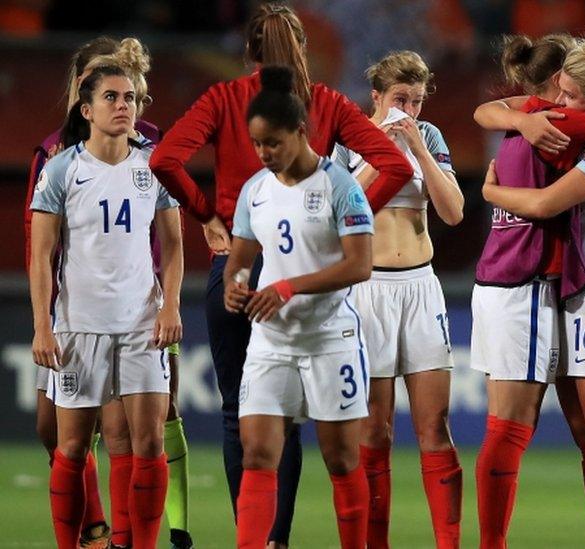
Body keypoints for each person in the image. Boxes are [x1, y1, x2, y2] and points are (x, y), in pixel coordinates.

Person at [148, 4, 412, 546]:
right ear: (302, 50)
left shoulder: (224, 99)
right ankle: (276, 538)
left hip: (238, 267)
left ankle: (255, 534)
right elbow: (397, 165)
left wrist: (207, 216)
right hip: (309, 271)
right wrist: (348, 220)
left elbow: (164, 160)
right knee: (289, 420)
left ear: (247, 53)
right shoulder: (327, 103)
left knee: (239, 414)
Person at [481, 30, 585, 548]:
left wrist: (490, 190)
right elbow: (492, 109)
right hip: (572, 292)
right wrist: (519, 118)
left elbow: (544, 205)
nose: (562, 101)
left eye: (573, 94)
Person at [24, 36, 196, 549]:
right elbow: (40, 256)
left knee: (146, 444)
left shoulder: (155, 166)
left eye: (132, 99)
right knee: (71, 447)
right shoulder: (60, 170)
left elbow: (173, 244)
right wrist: (41, 325)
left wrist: (170, 306)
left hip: (141, 326)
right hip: (78, 328)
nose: (124, 107)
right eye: (113, 98)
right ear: (87, 107)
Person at [224, 65, 374, 549]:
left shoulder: (340, 187)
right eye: (257, 144)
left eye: (273, 142)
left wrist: (288, 287)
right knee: (257, 454)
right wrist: (237, 284)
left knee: (342, 460)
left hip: (331, 338)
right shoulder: (255, 191)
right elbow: (241, 261)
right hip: (271, 340)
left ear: (300, 133)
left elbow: (359, 266)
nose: (264, 153)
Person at [330, 51, 463, 549]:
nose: (409, 109)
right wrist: (381, 147)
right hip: (368, 291)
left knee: (436, 427)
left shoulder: (428, 137)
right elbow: (341, 210)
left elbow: (452, 212)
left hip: (421, 287)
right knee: (375, 432)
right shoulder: (349, 139)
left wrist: (417, 149)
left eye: (417, 101)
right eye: (400, 99)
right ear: (377, 98)